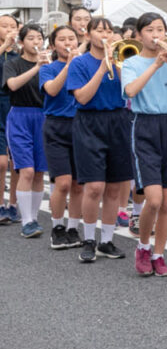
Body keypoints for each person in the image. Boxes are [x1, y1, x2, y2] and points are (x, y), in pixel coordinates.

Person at [121, 13, 167, 277]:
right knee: (152, 200)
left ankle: (159, 253)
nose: (156, 34)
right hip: (145, 125)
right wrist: (155, 65)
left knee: (166, 202)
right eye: (150, 29)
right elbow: (130, 91)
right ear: (139, 34)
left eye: (161, 29)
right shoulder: (131, 62)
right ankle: (142, 247)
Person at [67, 17, 132, 263]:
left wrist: (117, 65)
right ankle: (88, 239)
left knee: (115, 187)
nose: (104, 34)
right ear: (89, 34)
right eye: (99, 30)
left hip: (117, 121)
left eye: (108, 30)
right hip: (89, 122)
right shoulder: (80, 63)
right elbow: (82, 97)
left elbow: (131, 91)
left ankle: (107, 240)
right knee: (94, 186)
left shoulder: (122, 61)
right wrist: (103, 69)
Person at [40, 27, 84, 249]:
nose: (68, 43)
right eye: (62, 39)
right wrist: (69, 66)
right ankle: (57, 227)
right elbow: (53, 90)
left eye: (72, 39)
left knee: (78, 185)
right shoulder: (48, 68)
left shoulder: (84, 66)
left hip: (81, 126)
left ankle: (73, 227)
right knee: (63, 182)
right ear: (53, 45)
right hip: (56, 126)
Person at [5, 24, 50, 237]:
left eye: (39, 38)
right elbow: (12, 85)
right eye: (31, 38)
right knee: (27, 170)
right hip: (20, 116)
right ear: (22, 42)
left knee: (40, 172)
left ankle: (33, 218)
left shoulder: (49, 64)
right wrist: (37, 68)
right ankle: (26, 221)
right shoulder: (13, 63)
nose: (36, 42)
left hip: (43, 117)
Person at [0, 13, 21, 225]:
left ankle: (13, 205)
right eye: (4, 26)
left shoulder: (19, 55)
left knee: (16, 162)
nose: (8, 29)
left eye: (12, 26)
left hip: (16, 108)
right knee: (1, 162)